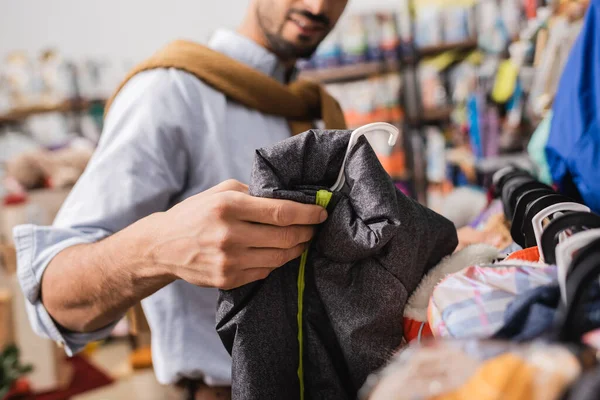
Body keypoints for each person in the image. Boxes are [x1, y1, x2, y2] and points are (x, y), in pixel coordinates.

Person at [14, 0, 499, 397]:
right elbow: (53, 298)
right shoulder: (169, 94)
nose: (318, 7)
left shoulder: (315, 107)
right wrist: (158, 248)